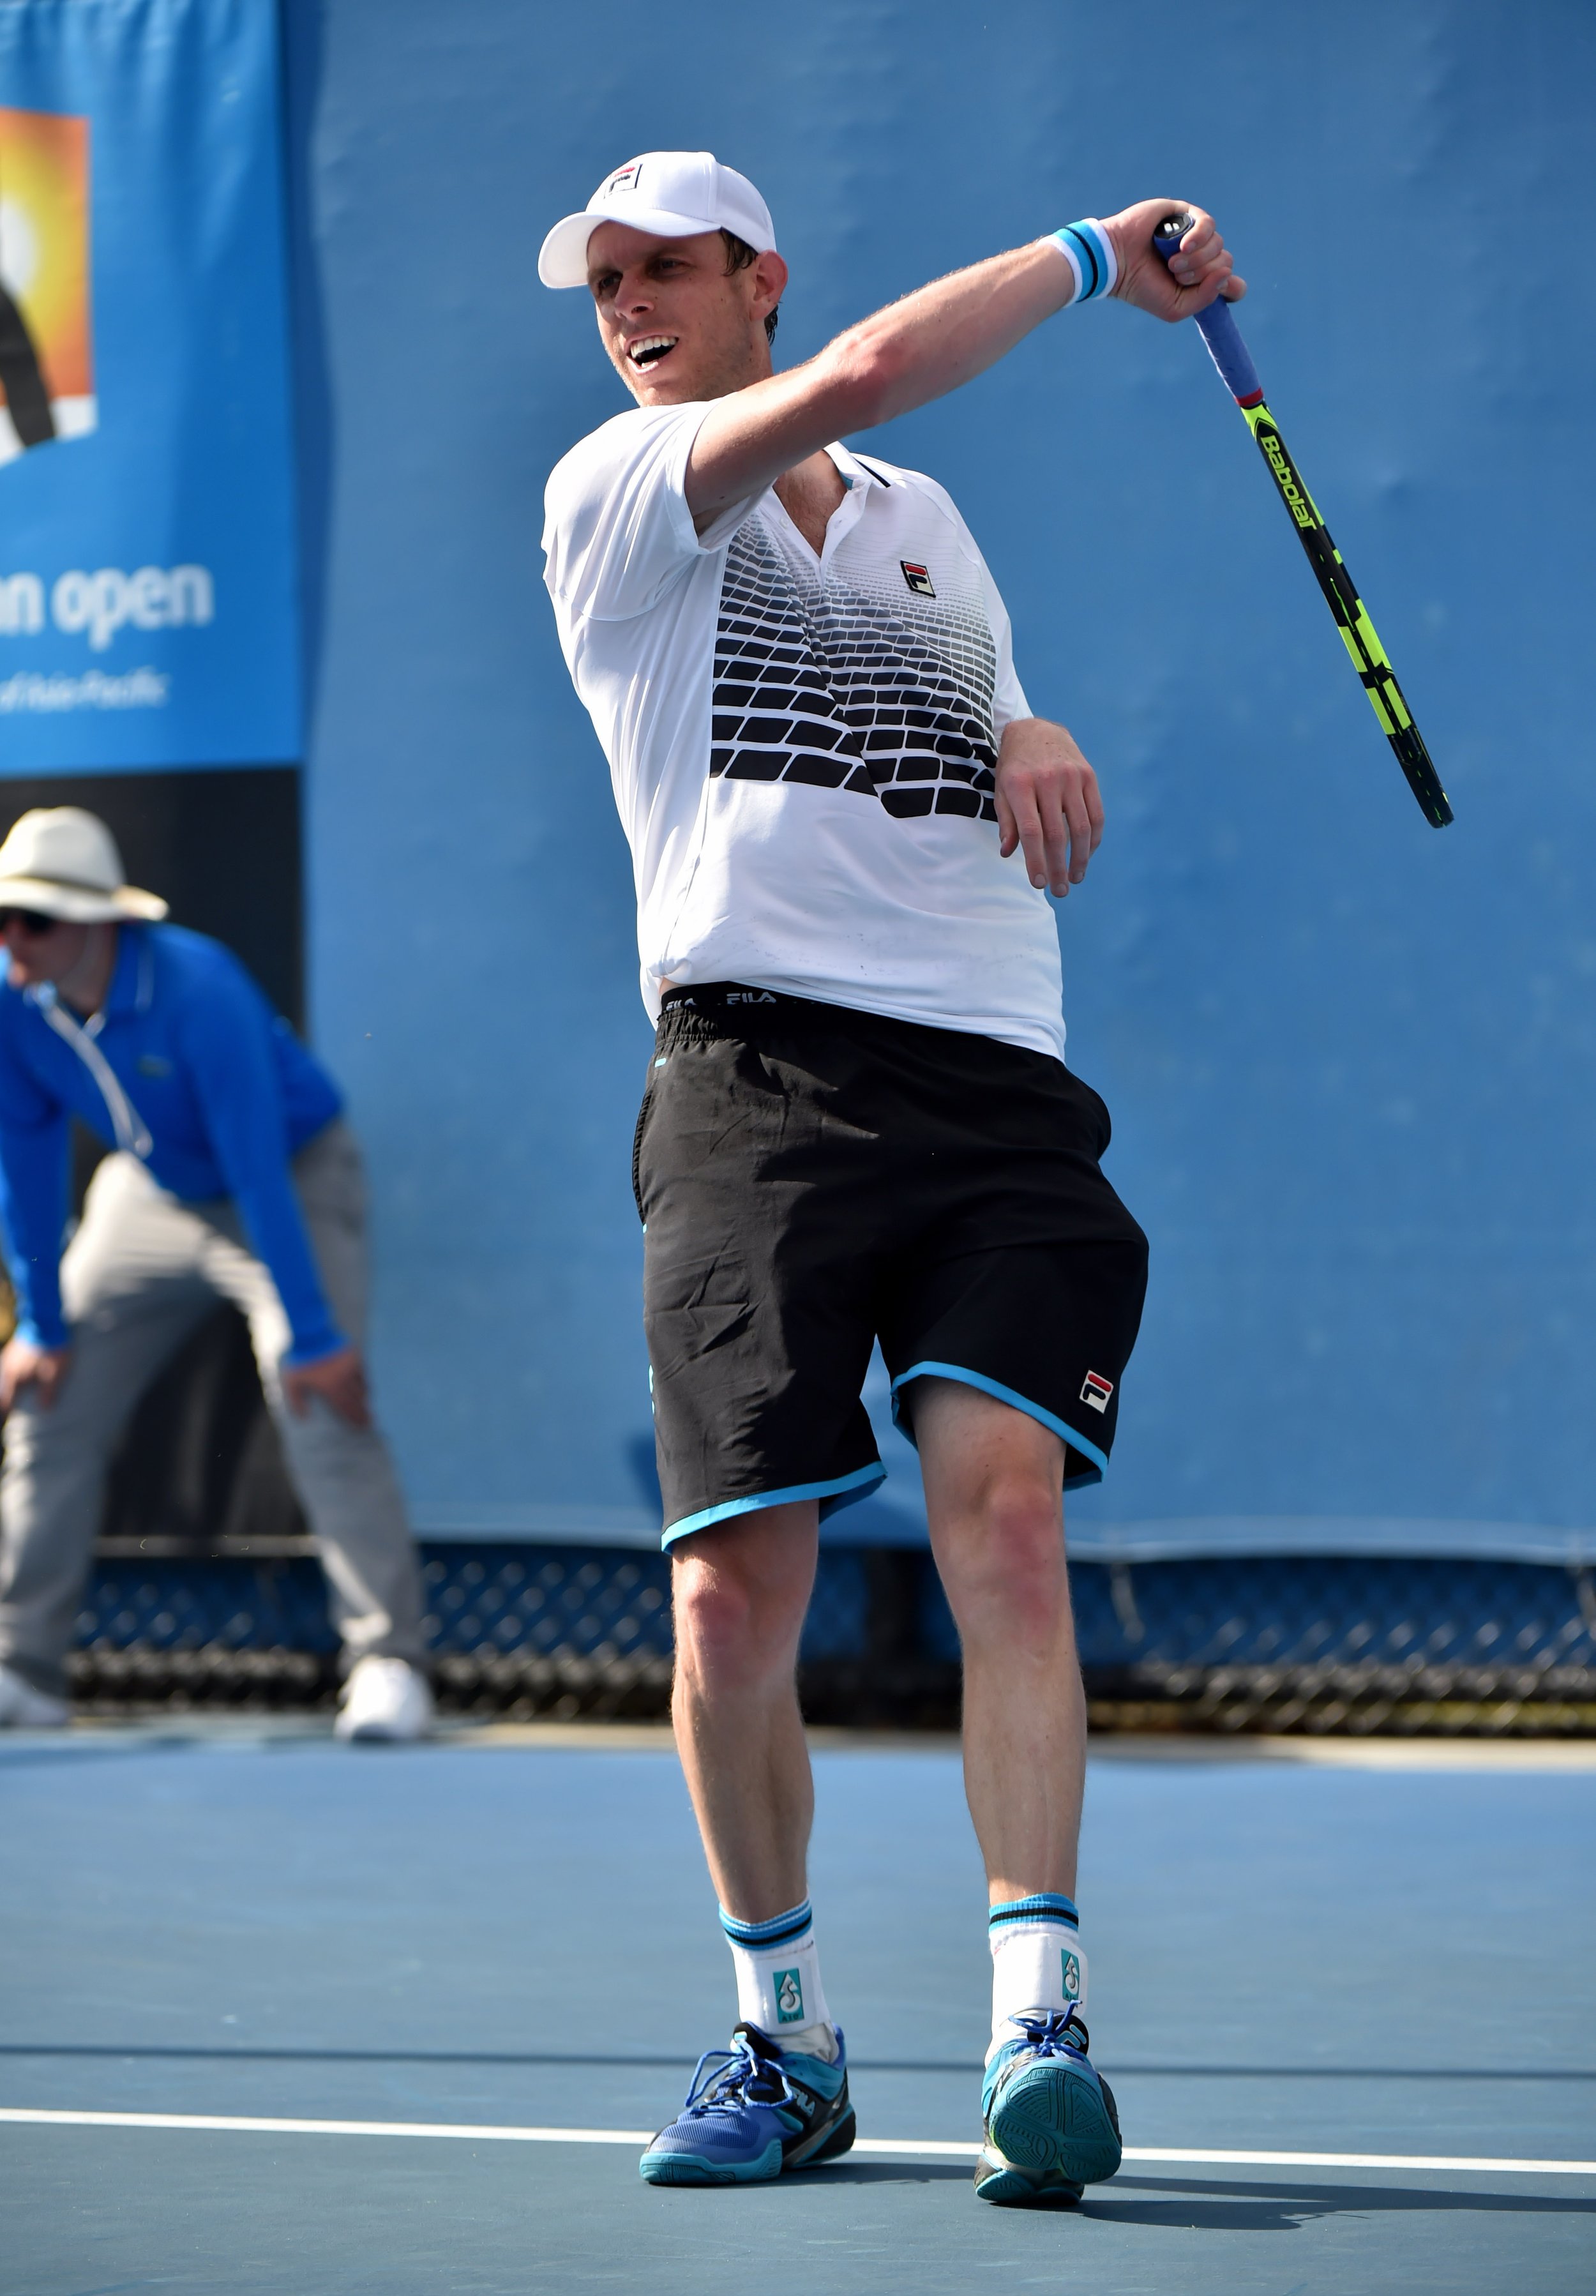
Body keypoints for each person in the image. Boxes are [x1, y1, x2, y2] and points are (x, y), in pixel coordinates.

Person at [539, 152, 1241, 2205]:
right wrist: (1102, 255)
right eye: (605, 282)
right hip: (753, 1081)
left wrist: (1027, 723)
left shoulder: (929, 530)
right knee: (727, 1595)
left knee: (1001, 1533)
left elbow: (959, 680)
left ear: (748, 268)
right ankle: (785, 2041)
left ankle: (1041, 2013)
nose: (630, 305)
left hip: (996, 1081)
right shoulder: (622, 490)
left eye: (667, 268)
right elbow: (857, 373)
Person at [0, 806, 433, 1741]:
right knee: (47, 1396)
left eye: (31, 919)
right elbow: (25, 1156)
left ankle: (388, 1662)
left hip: (288, 1179)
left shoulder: (200, 987)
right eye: (1, 918)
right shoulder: (12, 998)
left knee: (316, 1397)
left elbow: (255, 1164)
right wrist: (40, 1321)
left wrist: (314, 1338)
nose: (11, 939)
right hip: (149, 1193)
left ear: (95, 922)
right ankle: (23, 1671)